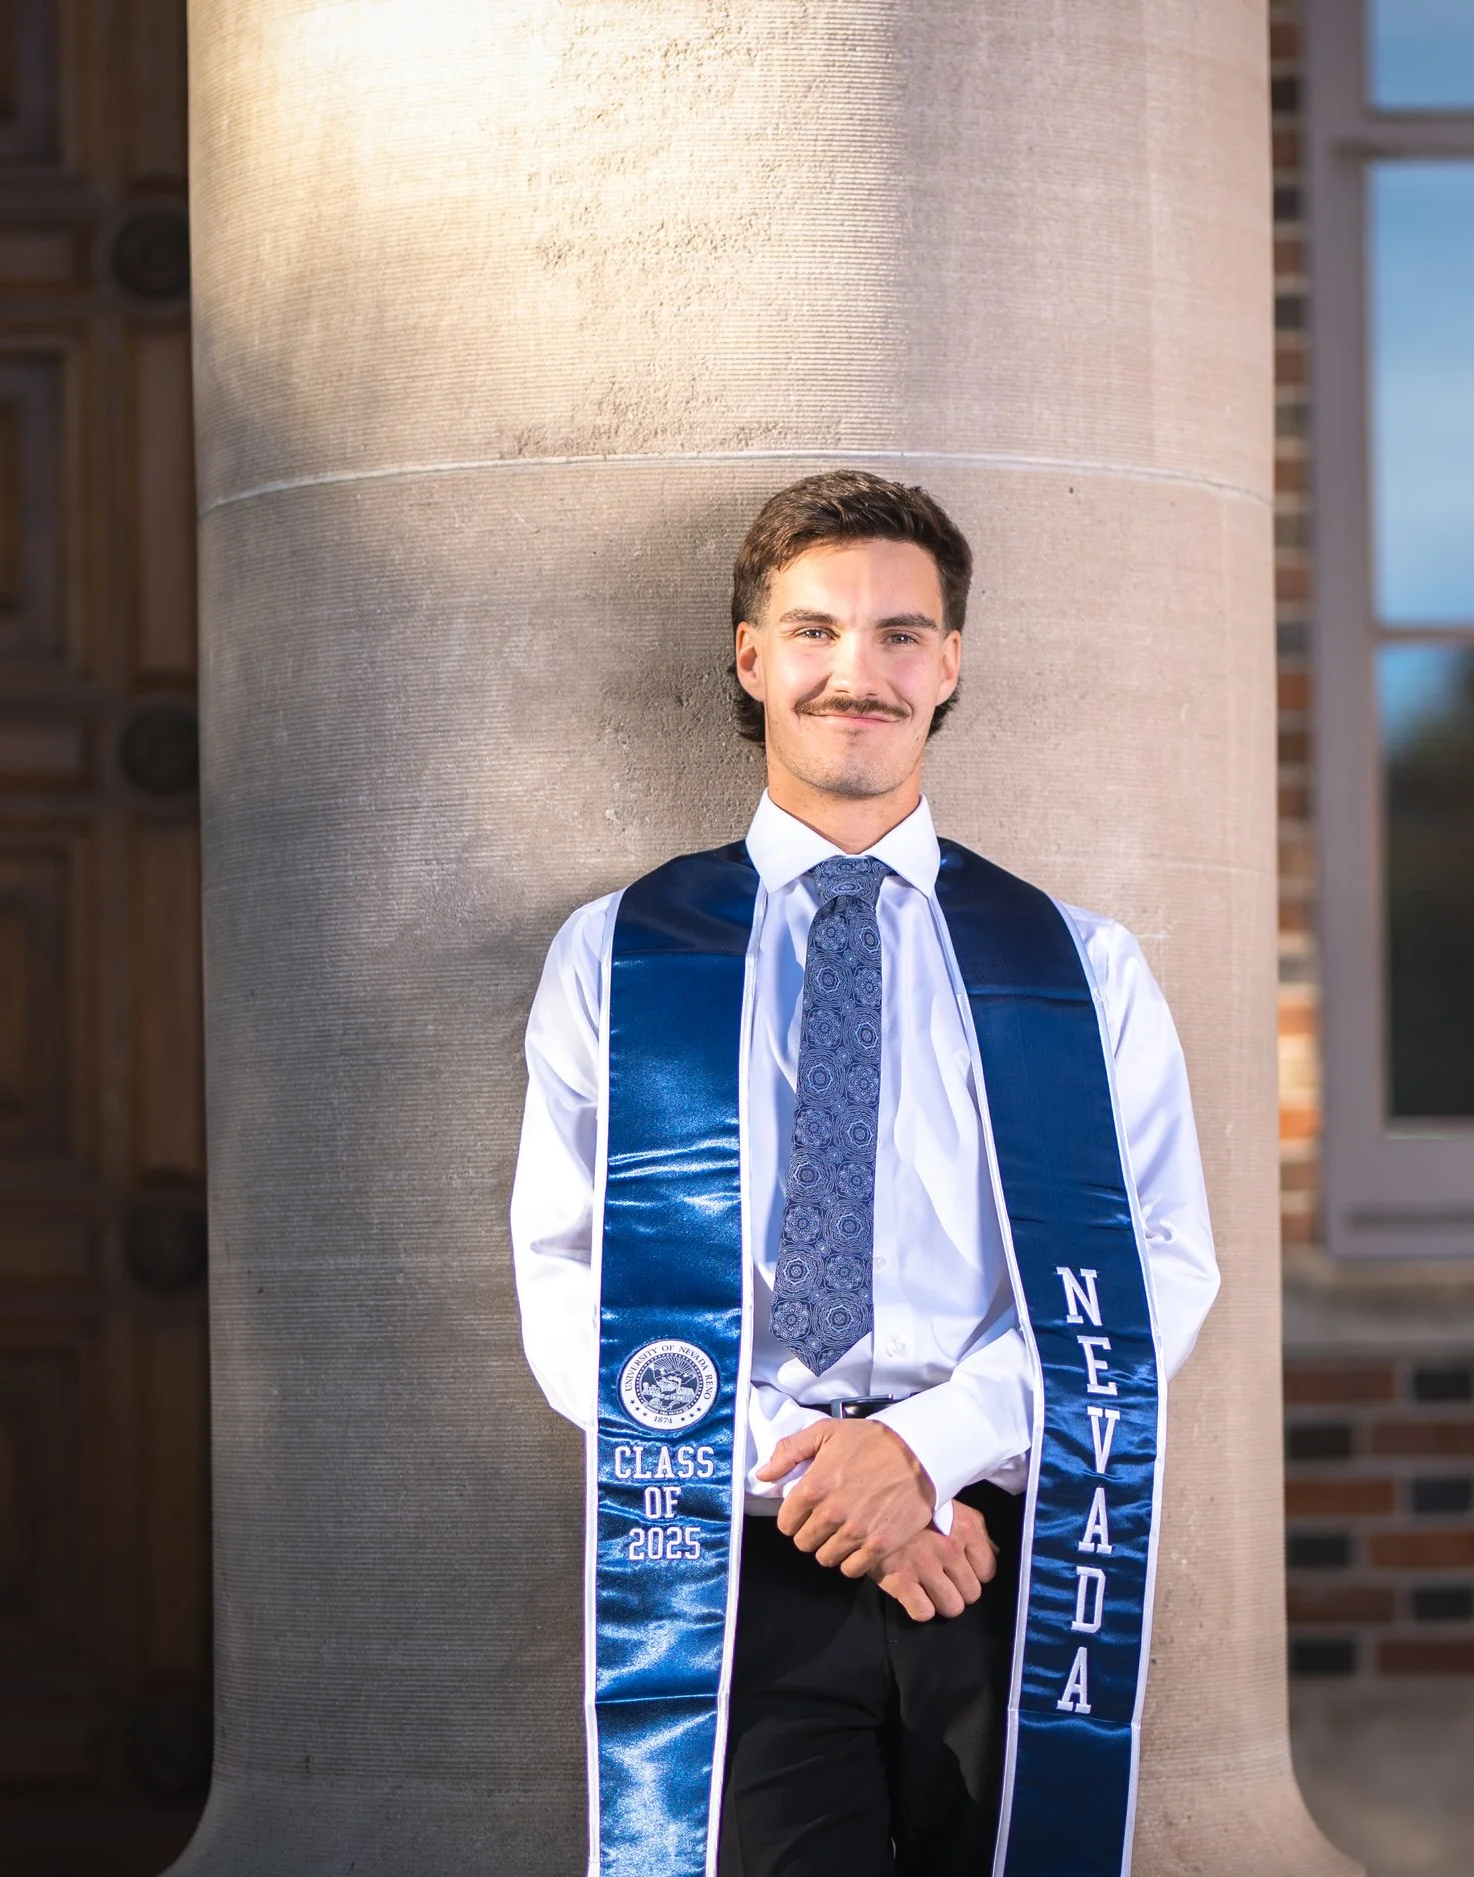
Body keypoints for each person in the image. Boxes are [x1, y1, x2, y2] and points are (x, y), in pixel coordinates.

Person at [510, 471, 1221, 1877]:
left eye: (903, 633)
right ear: (752, 655)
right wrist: (835, 1489)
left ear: (949, 663)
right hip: (734, 1554)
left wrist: (926, 1454)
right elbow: (565, 1274)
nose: (860, 671)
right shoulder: (623, 954)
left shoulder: (1078, 967)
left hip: (1006, 1550)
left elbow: (1161, 1269)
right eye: (816, 629)